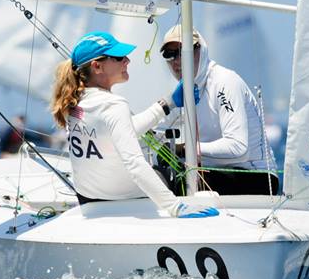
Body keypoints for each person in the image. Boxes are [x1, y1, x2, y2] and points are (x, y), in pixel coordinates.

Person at [50, 31, 218, 218]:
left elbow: (124, 130)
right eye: (119, 57)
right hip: (126, 200)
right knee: (168, 172)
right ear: (97, 66)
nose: (127, 61)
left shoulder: (73, 101)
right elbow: (135, 164)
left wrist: (168, 102)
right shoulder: (113, 105)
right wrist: (175, 206)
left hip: (88, 200)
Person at [159, 25, 279, 195]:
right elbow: (157, 130)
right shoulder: (182, 92)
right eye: (169, 55)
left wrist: (185, 149)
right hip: (214, 174)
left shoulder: (224, 81)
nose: (177, 61)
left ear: (201, 49)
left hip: (258, 177)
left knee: (184, 181)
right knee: (159, 176)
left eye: (183, 51)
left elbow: (238, 147)